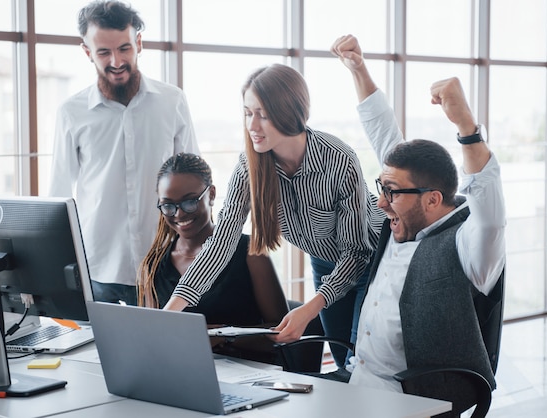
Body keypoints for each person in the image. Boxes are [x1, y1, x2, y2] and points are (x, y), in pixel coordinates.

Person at [164, 62, 386, 373]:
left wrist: (310, 308)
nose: (252, 125)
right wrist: (171, 311)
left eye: (263, 114)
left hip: (372, 261)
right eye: (247, 112)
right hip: (325, 260)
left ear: (290, 113)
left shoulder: (338, 160)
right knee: (340, 362)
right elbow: (221, 244)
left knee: (358, 365)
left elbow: (356, 252)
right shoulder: (250, 166)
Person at [329, 34, 506, 392]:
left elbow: (491, 213)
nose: (380, 203)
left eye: (391, 193)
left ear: (432, 199)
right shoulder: (404, 212)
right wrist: (358, 69)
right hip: (356, 383)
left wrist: (466, 127)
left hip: (412, 401)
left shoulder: (469, 247)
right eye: (383, 188)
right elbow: (384, 135)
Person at [49, 0, 198, 305]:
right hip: (99, 268)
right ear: (87, 52)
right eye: (104, 52)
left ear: (138, 43)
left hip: (164, 265)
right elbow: (58, 195)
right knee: (97, 354)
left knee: (166, 352)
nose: (116, 61)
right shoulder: (71, 112)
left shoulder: (172, 102)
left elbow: (195, 183)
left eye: (124, 48)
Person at [138, 152, 289, 362]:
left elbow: (281, 331)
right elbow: (154, 334)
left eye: (189, 202)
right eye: (168, 205)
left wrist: (220, 337)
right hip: (182, 372)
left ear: (211, 194)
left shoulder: (250, 252)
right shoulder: (154, 264)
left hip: (248, 372)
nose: (179, 214)